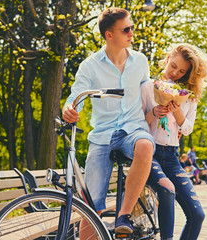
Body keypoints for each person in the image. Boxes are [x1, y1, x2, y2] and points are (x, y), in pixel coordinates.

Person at [62, 7, 155, 236]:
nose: (132, 32)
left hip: (133, 130)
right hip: (102, 136)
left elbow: (149, 97)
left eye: (132, 27)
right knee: (91, 208)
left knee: (145, 145)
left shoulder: (140, 61)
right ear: (109, 35)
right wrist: (69, 108)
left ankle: (124, 216)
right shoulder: (90, 65)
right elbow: (77, 96)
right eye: (126, 29)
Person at [141, 43, 207, 240]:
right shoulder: (147, 86)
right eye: (173, 66)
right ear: (168, 57)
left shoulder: (188, 97)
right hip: (149, 154)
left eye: (182, 71)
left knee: (197, 215)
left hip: (171, 157)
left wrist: (177, 111)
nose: (175, 73)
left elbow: (187, 129)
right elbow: (136, 124)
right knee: (166, 190)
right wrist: (153, 113)